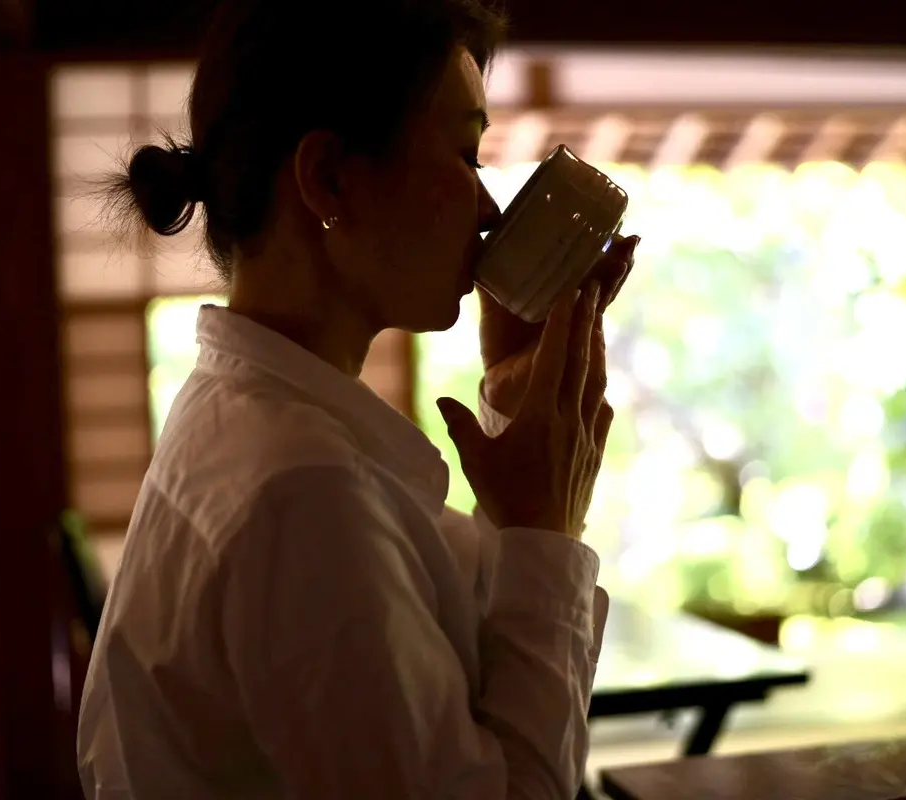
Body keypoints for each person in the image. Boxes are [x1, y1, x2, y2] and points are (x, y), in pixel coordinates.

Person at [75, 0, 640, 797]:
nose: (487, 210)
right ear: (329, 178)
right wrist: (546, 526)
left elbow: (443, 647)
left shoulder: (254, 417)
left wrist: (516, 413)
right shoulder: (302, 489)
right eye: (464, 153)